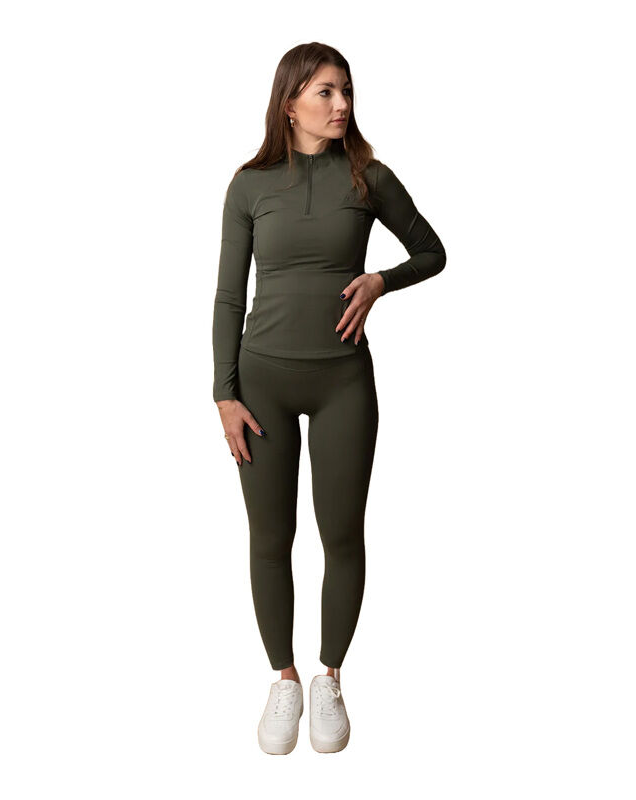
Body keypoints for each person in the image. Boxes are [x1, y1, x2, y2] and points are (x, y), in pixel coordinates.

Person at [212, 42, 446, 755]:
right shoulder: (250, 185)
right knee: (269, 537)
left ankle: (330, 678)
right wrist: (223, 394)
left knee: (342, 535)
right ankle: (283, 679)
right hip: (262, 384)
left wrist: (381, 281)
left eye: (346, 90)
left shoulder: (369, 177)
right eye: (325, 92)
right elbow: (228, 297)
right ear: (290, 103)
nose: (341, 104)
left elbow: (432, 251)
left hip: (344, 380)